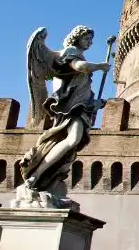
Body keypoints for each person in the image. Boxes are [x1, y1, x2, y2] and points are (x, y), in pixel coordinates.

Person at [21, 25, 109, 193]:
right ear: (77, 38)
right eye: (86, 39)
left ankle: (43, 175)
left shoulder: (78, 55)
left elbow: (82, 88)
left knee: (73, 143)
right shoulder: (69, 52)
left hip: (79, 106)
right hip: (69, 107)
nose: (89, 42)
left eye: (91, 40)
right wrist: (99, 66)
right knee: (73, 139)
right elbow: (79, 67)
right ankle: (36, 174)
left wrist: (95, 104)